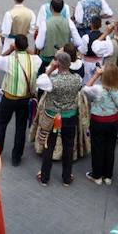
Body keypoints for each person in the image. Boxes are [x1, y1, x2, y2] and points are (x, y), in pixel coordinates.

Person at [35, 51, 83, 186]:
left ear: (58, 64)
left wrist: (50, 69)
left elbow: (39, 81)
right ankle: (66, 178)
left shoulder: (52, 81)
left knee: (49, 145)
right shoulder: (77, 79)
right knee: (68, 146)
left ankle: (45, 177)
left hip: (53, 117)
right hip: (70, 116)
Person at [0, 34, 40, 167]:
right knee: (20, 127)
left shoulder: (9, 61)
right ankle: (16, 157)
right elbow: (36, 55)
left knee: (1, 125)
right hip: (25, 99)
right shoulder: (35, 60)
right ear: (27, 46)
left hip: (9, 98)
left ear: (16, 46)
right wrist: (25, 49)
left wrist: (11, 50)